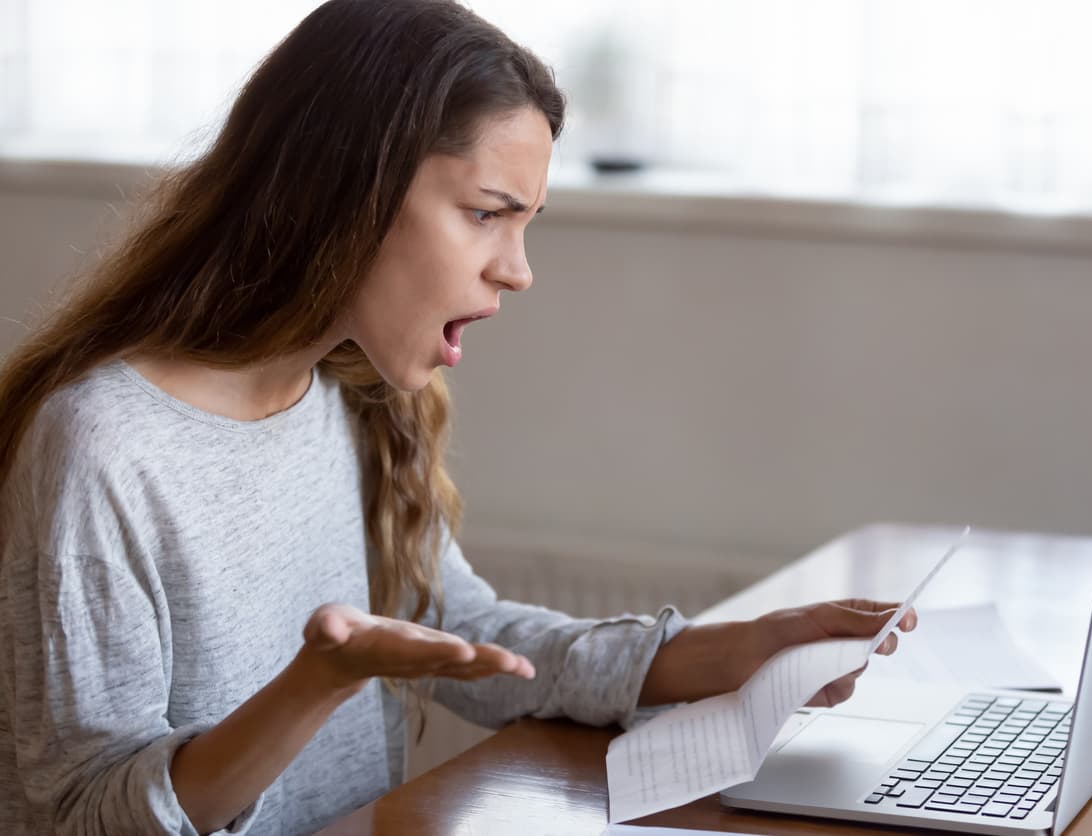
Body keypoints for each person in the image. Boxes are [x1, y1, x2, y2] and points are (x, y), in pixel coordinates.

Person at [0, 1, 917, 833]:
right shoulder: (104, 447)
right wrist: (314, 685)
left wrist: (726, 653)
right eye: (486, 214)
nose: (517, 269)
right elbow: (85, 814)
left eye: (526, 224)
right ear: (344, 191)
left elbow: (473, 635)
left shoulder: (352, 393)